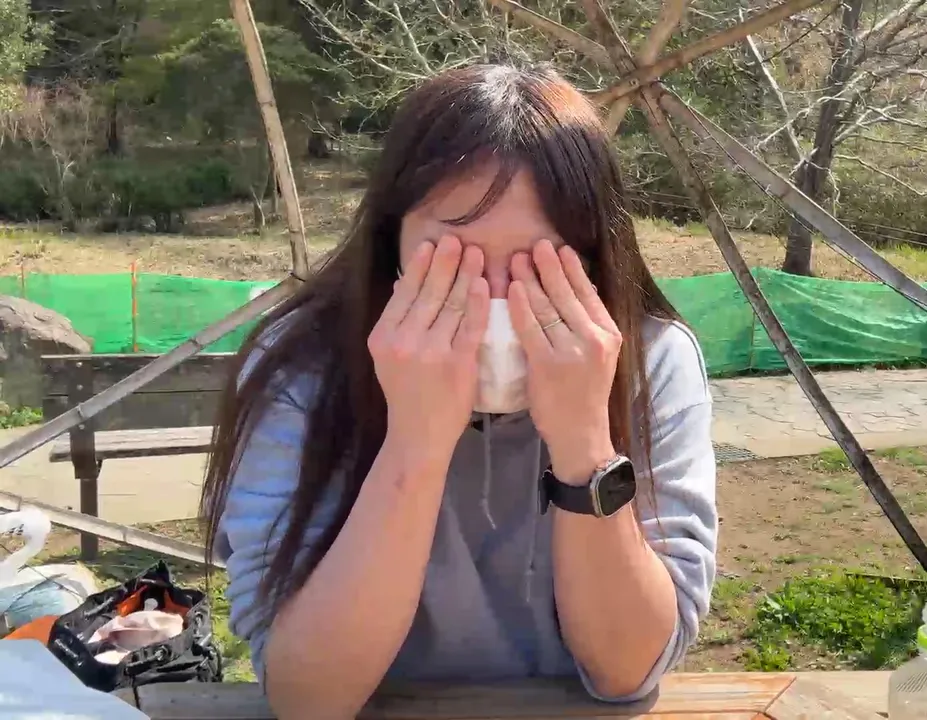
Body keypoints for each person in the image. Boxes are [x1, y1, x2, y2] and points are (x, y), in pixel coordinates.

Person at [199, 63, 718, 720]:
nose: (494, 300)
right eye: (453, 261)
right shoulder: (301, 368)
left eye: (538, 264)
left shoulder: (650, 361)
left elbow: (628, 670)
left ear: (593, 258)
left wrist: (585, 447)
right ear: (392, 243)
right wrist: (415, 445)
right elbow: (308, 697)